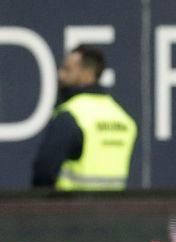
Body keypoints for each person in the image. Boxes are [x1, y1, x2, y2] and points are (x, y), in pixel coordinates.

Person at [32, 45, 137, 190]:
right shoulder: (124, 120)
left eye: (67, 69)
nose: (61, 75)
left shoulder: (70, 115)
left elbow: (44, 172)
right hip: (114, 209)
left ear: (88, 74)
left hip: (73, 209)